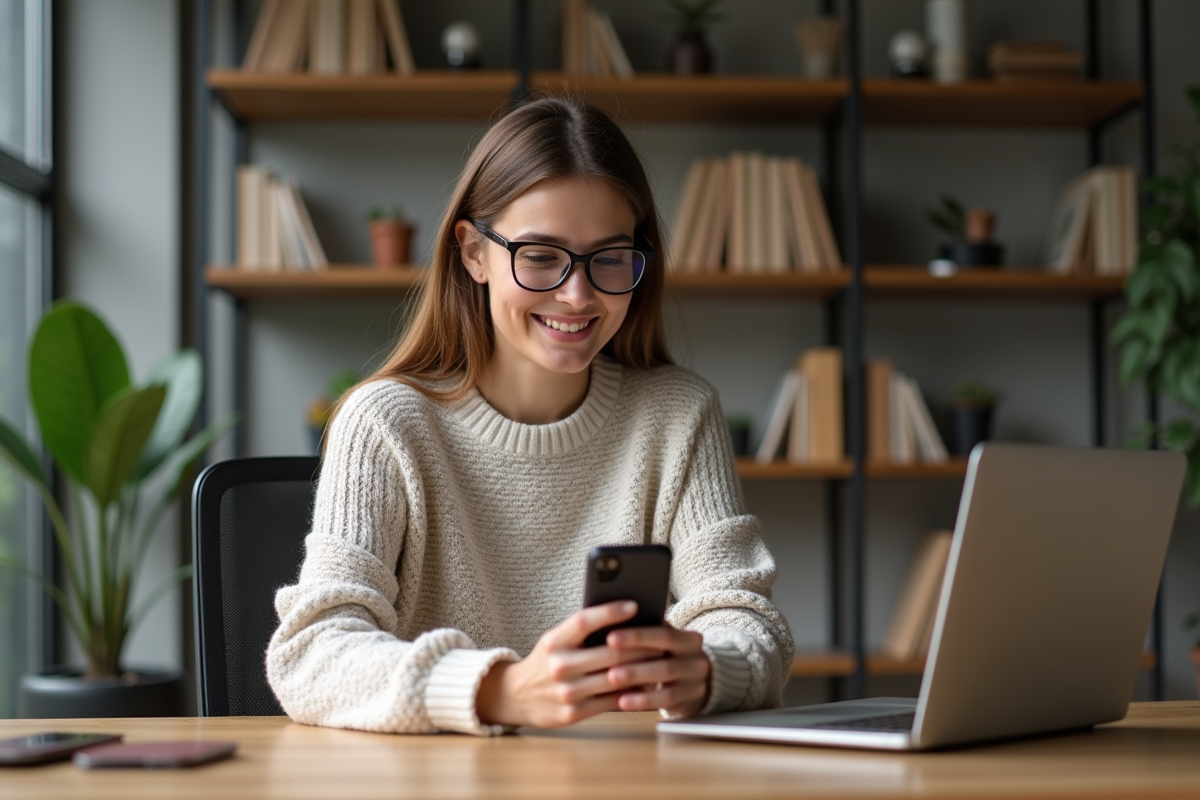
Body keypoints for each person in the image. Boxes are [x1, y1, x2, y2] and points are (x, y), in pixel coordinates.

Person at [266, 96, 794, 736]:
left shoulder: (678, 414)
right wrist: (500, 691)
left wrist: (711, 668)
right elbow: (311, 654)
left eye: (609, 258)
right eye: (541, 255)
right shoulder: (384, 423)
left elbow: (749, 621)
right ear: (473, 254)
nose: (578, 294)